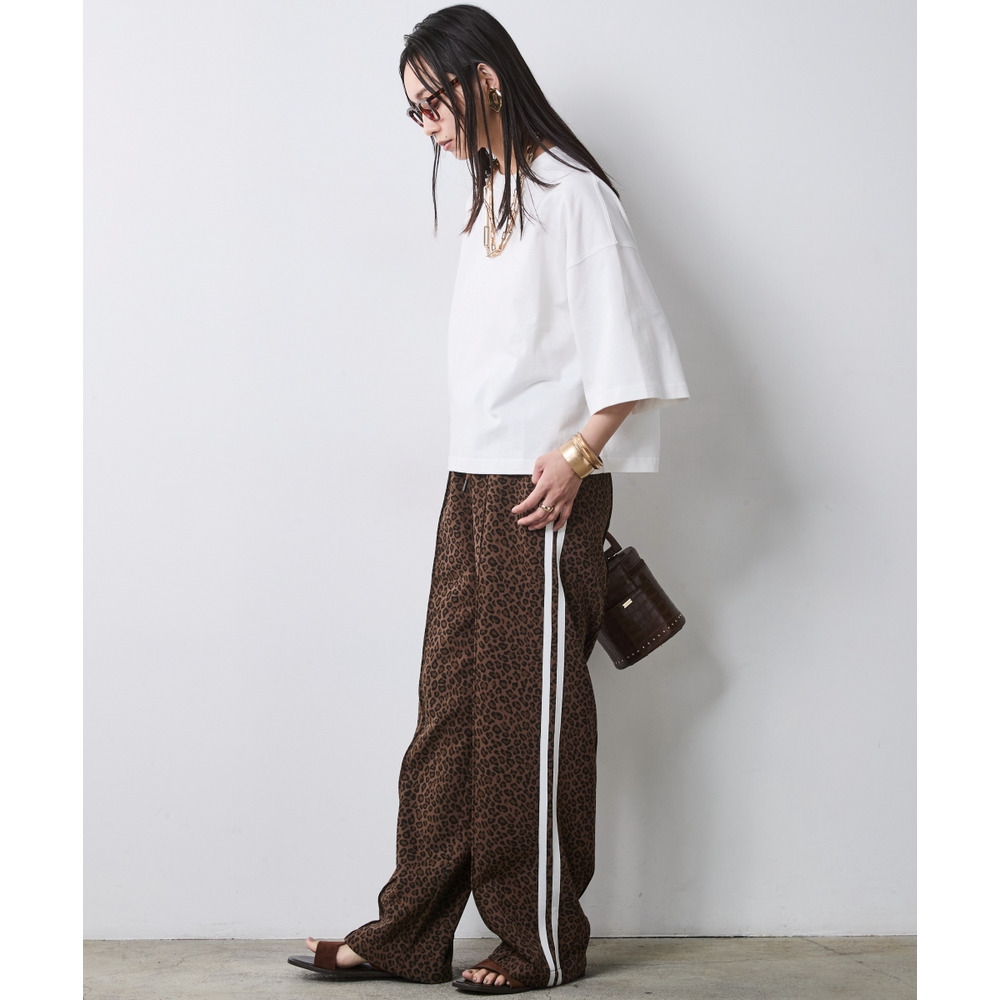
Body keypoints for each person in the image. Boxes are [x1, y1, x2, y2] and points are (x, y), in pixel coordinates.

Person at [288, 4, 688, 993]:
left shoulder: (572, 196)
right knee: (449, 713)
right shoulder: (496, 199)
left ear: (488, 81)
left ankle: (538, 938)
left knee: (528, 723)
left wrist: (576, 458)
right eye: (413, 109)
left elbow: (631, 357)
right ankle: (409, 930)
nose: (424, 122)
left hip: (542, 491)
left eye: (433, 100)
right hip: (473, 484)